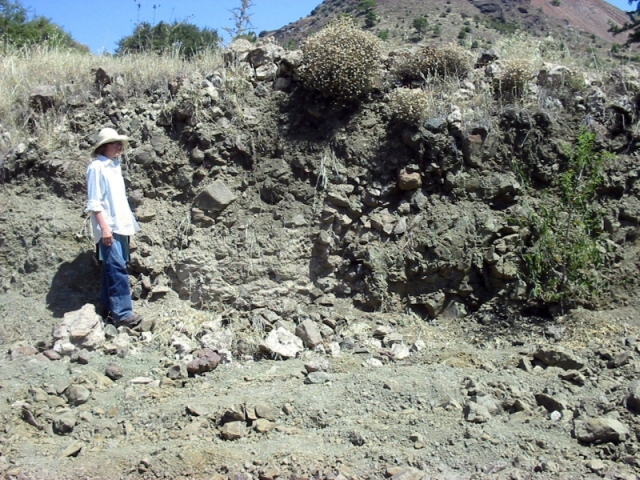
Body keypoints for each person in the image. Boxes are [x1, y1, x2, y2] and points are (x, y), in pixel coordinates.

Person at [86, 127, 142, 328]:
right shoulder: (97, 167)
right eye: (114, 143)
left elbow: (119, 202)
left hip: (120, 226)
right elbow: (94, 203)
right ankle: (123, 314)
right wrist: (105, 229)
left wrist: (128, 229)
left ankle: (106, 309)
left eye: (120, 143)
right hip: (108, 228)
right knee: (117, 269)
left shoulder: (114, 166)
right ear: (103, 146)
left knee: (112, 268)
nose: (119, 146)